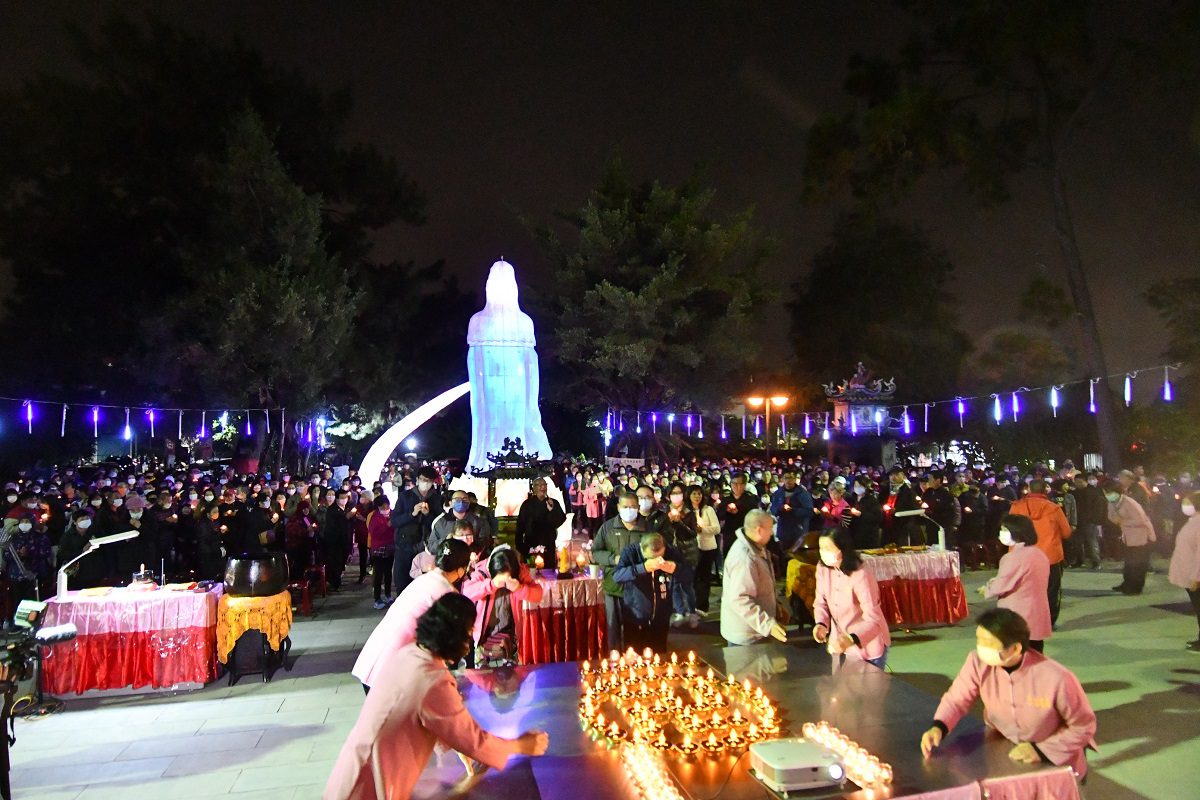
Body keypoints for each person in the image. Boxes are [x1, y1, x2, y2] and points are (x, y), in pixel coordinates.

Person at [325, 594, 549, 800]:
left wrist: (454, 744)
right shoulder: (431, 679)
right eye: (469, 633)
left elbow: (428, 719)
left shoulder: (410, 654)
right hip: (369, 788)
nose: (470, 642)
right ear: (455, 636)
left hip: (351, 776)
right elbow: (474, 741)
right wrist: (521, 746)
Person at [920, 608, 1097, 778]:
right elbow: (957, 699)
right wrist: (939, 726)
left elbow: (1083, 726)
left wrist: (1040, 750)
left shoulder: (1057, 678)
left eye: (988, 643)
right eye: (978, 640)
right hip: (1006, 754)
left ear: (1015, 649)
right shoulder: (977, 662)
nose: (981, 648)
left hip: (1055, 762)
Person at [352, 539, 473, 691]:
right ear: (462, 570)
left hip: (375, 658)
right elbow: (449, 645)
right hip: (391, 672)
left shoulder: (425, 579)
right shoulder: (446, 593)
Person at [812, 528, 890, 669]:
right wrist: (821, 624)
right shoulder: (823, 569)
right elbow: (820, 602)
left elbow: (873, 618)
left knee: (868, 689)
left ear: (842, 548)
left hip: (867, 644)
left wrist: (851, 638)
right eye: (821, 548)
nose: (823, 552)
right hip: (839, 644)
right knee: (841, 688)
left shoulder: (861, 574)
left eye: (828, 548)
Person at [462, 545, 543, 667]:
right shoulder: (483, 570)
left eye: (509, 578)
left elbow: (538, 594)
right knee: (485, 677)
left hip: (510, 636)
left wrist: (518, 588)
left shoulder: (520, 571)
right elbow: (467, 592)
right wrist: (492, 584)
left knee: (511, 677)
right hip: (485, 636)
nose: (505, 583)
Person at [980, 514, 1052, 651]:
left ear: (1016, 532)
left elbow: (1002, 584)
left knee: (1016, 657)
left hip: (1017, 614)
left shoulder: (1012, 558)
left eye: (1005, 530)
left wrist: (988, 587)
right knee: (1035, 654)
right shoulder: (1039, 554)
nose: (1001, 534)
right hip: (1037, 612)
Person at [721, 509, 789, 645]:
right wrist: (768, 625)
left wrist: (775, 605)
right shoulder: (744, 558)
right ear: (759, 530)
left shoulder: (756, 547)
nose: (772, 532)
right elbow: (740, 599)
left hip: (754, 630)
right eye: (770, 528)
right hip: (746, 635)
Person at [1008, 479, 1071, 626]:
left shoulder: (1016, 507)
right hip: (1049, 557)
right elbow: (1067, 533)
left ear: (1029, 490)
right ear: (1045, 490)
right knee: (1050, 591)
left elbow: (1008, 532)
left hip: (1022, 557)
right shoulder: (1054, 508)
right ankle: (1047, 621)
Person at [613, 532, 689, 653]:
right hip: (636, 615)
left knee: (659, 656)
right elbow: (617, 576)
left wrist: (675, 568)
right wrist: (643, 567)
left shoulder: (671, 551)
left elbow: (688, 573)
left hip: (661, 617)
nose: (657, 562)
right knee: (634, 656)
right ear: (642, 549)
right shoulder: (630, 552)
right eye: (651, 558)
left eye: (660, 556)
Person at [591, 491, 647, 651]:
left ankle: (634, 661)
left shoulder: (647, 528)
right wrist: (612, 559)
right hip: (613, 586)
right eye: (625, 506)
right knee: (612, 628)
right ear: (618, 507)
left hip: (638, 588)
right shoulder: (608, 527)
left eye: (633, 507)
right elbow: (595, 551)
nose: (629, 510)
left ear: (638, 507)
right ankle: (614, 661)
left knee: (635, 630)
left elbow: (656, 552)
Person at [391, 466, 443, 598]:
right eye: (423, 479)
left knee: (423, 584)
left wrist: (427, 515)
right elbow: (395, 521)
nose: (425, 483)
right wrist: (412, 514)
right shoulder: (405, 496)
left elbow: (438, 525)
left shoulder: (437, 499)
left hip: (425, 548)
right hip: (404, 545)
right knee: (402, 581)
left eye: (429, 480)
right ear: (418, 479)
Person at [1105, 480, 1156, 595]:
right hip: (1127, 537)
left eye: (1110, 492)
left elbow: (1141, 520)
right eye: (1106, 492)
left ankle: (1136, 587)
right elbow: (1111, 517)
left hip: (1141, 536)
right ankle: (1127, 583)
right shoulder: (1111, 502)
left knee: (1138, 564)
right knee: (1129, 563)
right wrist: (1120, 521)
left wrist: (1123, 522)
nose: (1108, 495)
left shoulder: (1130, 502)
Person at [1167, 492, 1200, 651]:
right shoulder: (1194, 520)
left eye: (1187, 503)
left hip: (1196, 576)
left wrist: (1196, 577)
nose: (1184, 506)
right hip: (1190, 572)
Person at [688, 484, 722, 615]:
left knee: (703, 578)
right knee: (692, 577)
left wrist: (703, 530)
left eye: (699, 494)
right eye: (694, 494)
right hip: (691, 548)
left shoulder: (708, 510)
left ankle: (702, 606)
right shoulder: (686, 510)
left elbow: (717, 528)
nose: (697, 496)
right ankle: (691, 604)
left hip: (707, 548)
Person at [515, 477, 566, 557]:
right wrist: (520, 547)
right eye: (539, 485)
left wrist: (552, 510)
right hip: (530, 544)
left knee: (548, 568)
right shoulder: (527, 505)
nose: (543, 487)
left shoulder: (553, 502)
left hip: (548, 544)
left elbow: (560, 520)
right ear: (534, 488)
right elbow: (520, 526)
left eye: (544, 485)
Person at [770, 469, 814, 553]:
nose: (789, 480)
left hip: (798, 531)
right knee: (784, 555)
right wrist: (779, 509)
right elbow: (773, 509)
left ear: (795, 479)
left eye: (791, 478)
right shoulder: (778, 493)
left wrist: (793, 510)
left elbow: (809, 512)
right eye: (786, 478)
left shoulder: (803, 493)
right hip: (783, 531)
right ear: (782, 479)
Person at [366, 495, 396, 609]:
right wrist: (387, 526)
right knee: (378, 574)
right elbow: (374, 533)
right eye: (383, 506)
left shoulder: (393, 514)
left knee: (388, 572)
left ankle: (388, 595)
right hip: (378, 548)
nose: (386, 508)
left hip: (390, 547)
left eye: (387, 505)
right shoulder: (375, 517)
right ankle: (377, 598)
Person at [717, 473, 757, 555]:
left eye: (739, 484)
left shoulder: (751, 499)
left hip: (745, 533)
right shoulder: (725, 499)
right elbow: (719, 516)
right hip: (729, 533)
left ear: (744, 485)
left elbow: (753, 517)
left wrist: (738, 512)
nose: (736, 486)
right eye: (734, 483)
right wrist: (726, 511)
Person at [847, 474, 883, 551]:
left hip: (868, 535)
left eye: (859, 486)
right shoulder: (852, 499)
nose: (857, 488)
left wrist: (861, 514)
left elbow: (878, 517)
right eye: (856, 486)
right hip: (855, 534)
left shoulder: (871, 500)